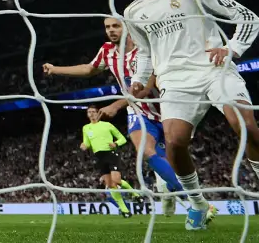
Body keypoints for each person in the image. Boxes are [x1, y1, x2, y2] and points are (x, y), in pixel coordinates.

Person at [121, 0, 259, 231]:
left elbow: (246, 16)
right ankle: (197, 204)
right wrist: (139, 77)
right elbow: (145, 52)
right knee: (174, 142)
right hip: (174, 80)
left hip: (214, 69)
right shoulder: (132, 12)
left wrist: (232, 48)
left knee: (244, 124)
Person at [42, 16, 186, 215]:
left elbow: (145, 88)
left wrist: (117, 104)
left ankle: (168, 188)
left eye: (116, 26)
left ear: (127, 27)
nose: (111, 30)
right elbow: (89, 69)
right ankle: (189, 195)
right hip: (137, 110)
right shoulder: (107, 51)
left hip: (166, 108)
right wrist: (56, 69)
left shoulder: (145, 50)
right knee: (145, 150)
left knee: (174, 157)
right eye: (108, 27)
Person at [81, 106, 133, 217]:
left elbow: (122, 138)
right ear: (87, 114)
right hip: (99, 157)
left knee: (117, 181)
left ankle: (134, 193)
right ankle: (125, 210)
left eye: (93, 112)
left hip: (110, 153)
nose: (91, 114)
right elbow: (87, 142)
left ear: (98, 113)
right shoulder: (86, 128)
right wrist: (84, 145)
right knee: (110, 185)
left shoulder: (107, 125)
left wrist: (116, 144)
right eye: (89, 112)